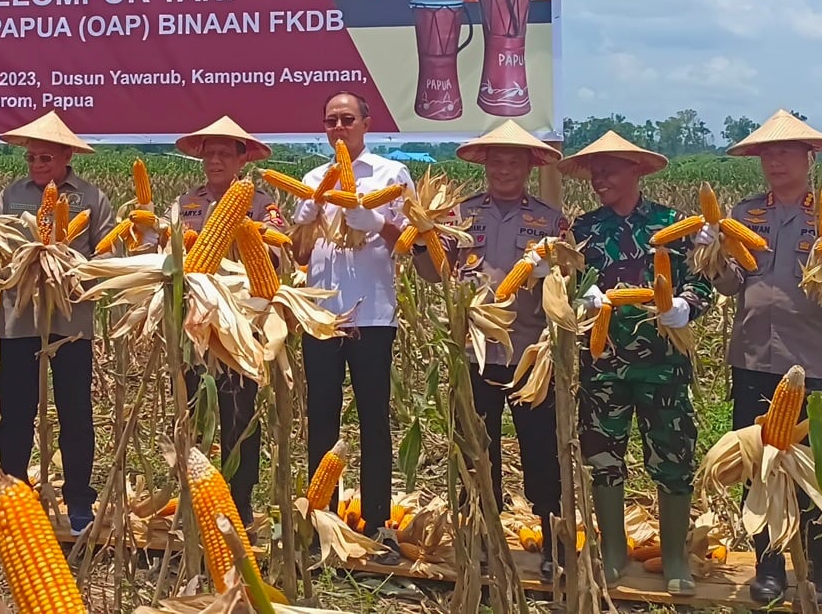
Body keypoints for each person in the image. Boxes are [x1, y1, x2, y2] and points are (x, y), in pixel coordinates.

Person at [711, 110, 822, 602]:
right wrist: (714, 257)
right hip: (753, 356)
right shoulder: (746, 213)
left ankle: (814, 567)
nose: (775, 162)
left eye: (785, 152)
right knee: (759, 466)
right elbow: (732, 284)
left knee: (814, 471)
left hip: (812, 361)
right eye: (767, 154)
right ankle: (769, 566)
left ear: (808, 158)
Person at [559, 131, 711, 595]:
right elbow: (565, 284)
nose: (599, 179)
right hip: (602, 364)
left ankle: (675, 557)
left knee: (673, 457)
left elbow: (701, 282)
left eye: (609, 170)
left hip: (663, 364)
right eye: (595, 171)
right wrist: (580, 294)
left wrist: (685, 306)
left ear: (636, 171)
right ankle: (612, 552)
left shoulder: (674, 225)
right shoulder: (583, 229)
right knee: (603, 456)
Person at [413, 120, 564, 578]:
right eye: (496, 161)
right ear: (486, 165)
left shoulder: (550, 221)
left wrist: (552, 274)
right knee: (477, 449)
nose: (504, 169)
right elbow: (434, 273)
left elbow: (568, 286)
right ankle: (480, 539)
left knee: (542, 450)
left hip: (530, 354)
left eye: (513, 161)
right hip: (473, 351)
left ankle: (554, 544)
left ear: (528, 166)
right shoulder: (460, 215)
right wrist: (421, 242)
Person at [290, 92, 411, 562]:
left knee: (374, 420)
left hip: (373, 314)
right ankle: (322, 519)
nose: (338, 128)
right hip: (321, 315)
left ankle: (378, 523)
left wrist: (377, 221)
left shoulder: (391, 175)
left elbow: (411, 245)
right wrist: (304, 220)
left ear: (366, 122)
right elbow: (301, 255)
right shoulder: (312, 180)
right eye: (331, 121)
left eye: (347, 119)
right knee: (322, 418)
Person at [0, 111, 115, 536]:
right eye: (31, 158)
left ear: (66, 157)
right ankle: (14, 493)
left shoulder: (92, 198)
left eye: (45, 157)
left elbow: (107, 255)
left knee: (75, 411)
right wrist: (23, 265)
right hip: (19, 320)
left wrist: (68, 268)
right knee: (15, 411)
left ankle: (79, 498)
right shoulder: (11, 195)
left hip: (71, 320)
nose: (37, 165)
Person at [170, 115, 286, 525]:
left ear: (242, 160)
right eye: (210, 154)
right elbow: (168, 254)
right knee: (192, 411)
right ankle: (195, 496)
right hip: (194, 324)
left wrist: (246, 236)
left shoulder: (261, 205)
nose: (215, 161)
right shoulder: (186, 203)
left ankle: (240, 499)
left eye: (224, 154)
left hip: (240, 326)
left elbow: (276, 255)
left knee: (239, 414)